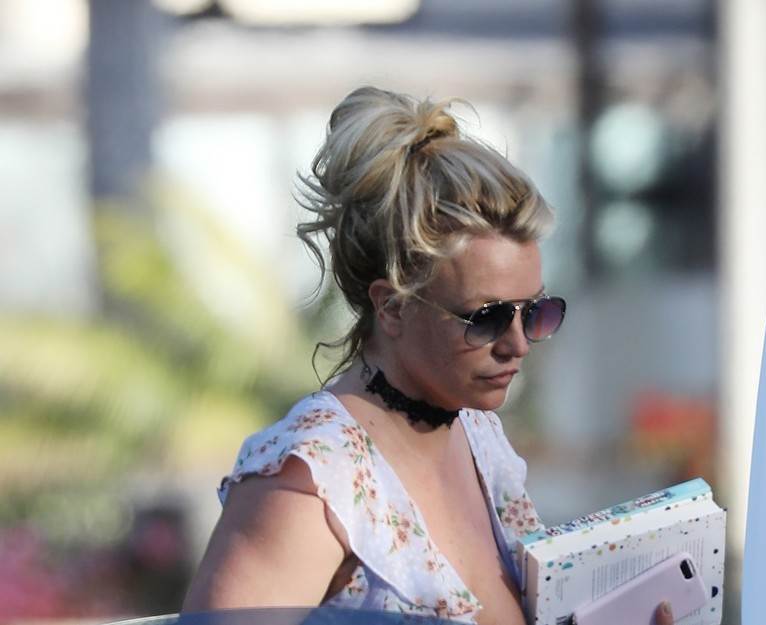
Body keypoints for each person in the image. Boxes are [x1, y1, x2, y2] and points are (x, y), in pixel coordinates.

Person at [181, 87, 676, 625]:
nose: (517, 343)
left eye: (536, 312)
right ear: (392, 307)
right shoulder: (314, 479)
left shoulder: (477, 435)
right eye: (487, 317)